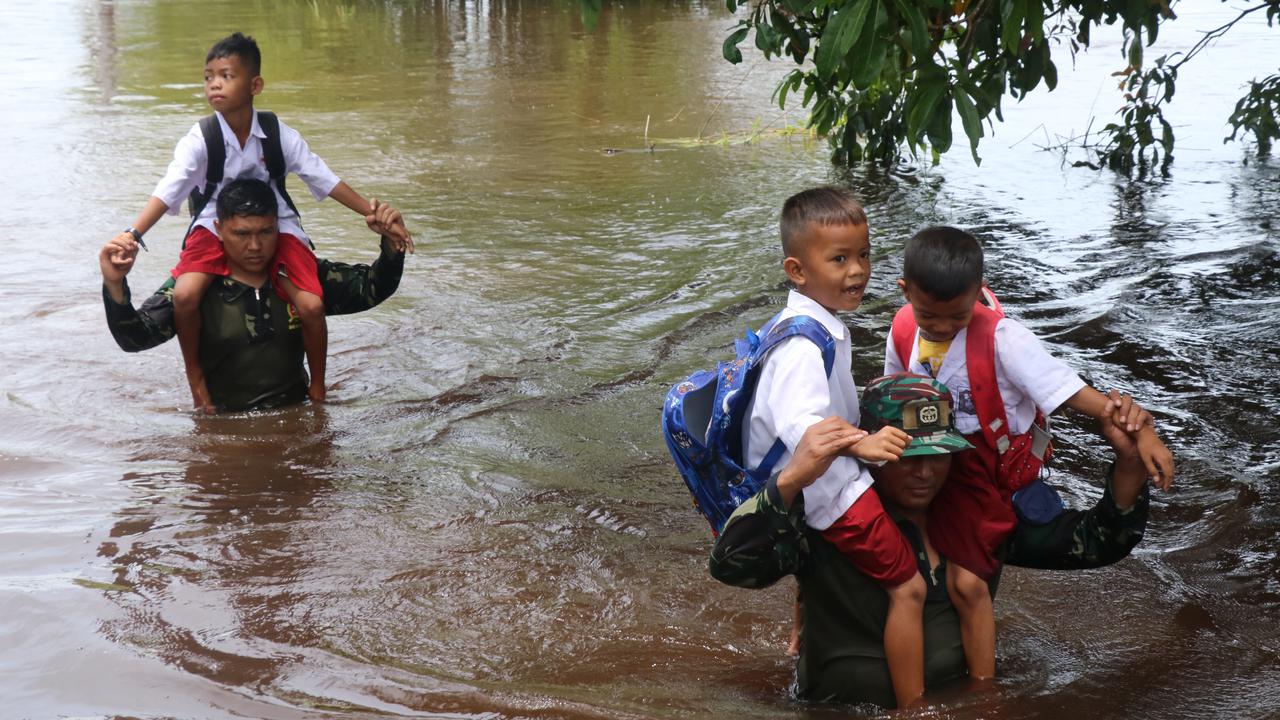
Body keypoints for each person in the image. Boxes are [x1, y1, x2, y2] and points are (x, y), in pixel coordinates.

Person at [709, 373, 1154, 709]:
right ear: (871, 451)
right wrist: (790, 482)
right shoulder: (831, 523)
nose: (924, 473)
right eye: (907, 457)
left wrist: (1129, 461)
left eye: (938, 456)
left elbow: (1101, 541)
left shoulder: (978, 521)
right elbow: (731, 565)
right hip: (837, 709)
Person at [883, 226, 1175, 682]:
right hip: (930, 461)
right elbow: (893, 398)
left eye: (955, 317)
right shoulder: (902, 330)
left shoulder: (1005, 341)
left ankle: (984, 690)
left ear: (979, 294)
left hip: (981, 476)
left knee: (966, 583)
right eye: (927, 315)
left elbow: (1074, 393)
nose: (939, 327)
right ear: (905, 292)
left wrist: (1144, 432)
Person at [112, 32, 412, 412]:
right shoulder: (200, 139)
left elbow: (322, 176)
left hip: (280, 222)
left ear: (254, 85)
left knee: (311, 305)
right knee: (186, 295)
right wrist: (133, 236)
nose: (214, 84)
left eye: (226, 75)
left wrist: (375, 219)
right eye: (208, 77)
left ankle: (318, 392)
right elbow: (170, 188)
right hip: (210, 224)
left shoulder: (277, 135)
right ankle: (197, 385)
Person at [742, 187, 923, 707]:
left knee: (817, 561)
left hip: (803, 489)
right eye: (839, 259)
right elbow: (806, 428)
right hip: (827, 490)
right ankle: (915, 705)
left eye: (863, 255)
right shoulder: (802, 345)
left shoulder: (804, 322)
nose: (857, 271)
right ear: (797, 270)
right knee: (907, 586)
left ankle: (802, 638)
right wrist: (862, 443)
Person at [101, 178, 406, 413]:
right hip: (221, 422)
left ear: (279, 227)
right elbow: (135, 339)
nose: (255, 246)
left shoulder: (299, 277)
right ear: (219, 230)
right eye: (242, 234)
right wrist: (115, 286)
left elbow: (372, 289)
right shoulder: (194, 289)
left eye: (266, 232)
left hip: (298, 413)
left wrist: (391, 244)